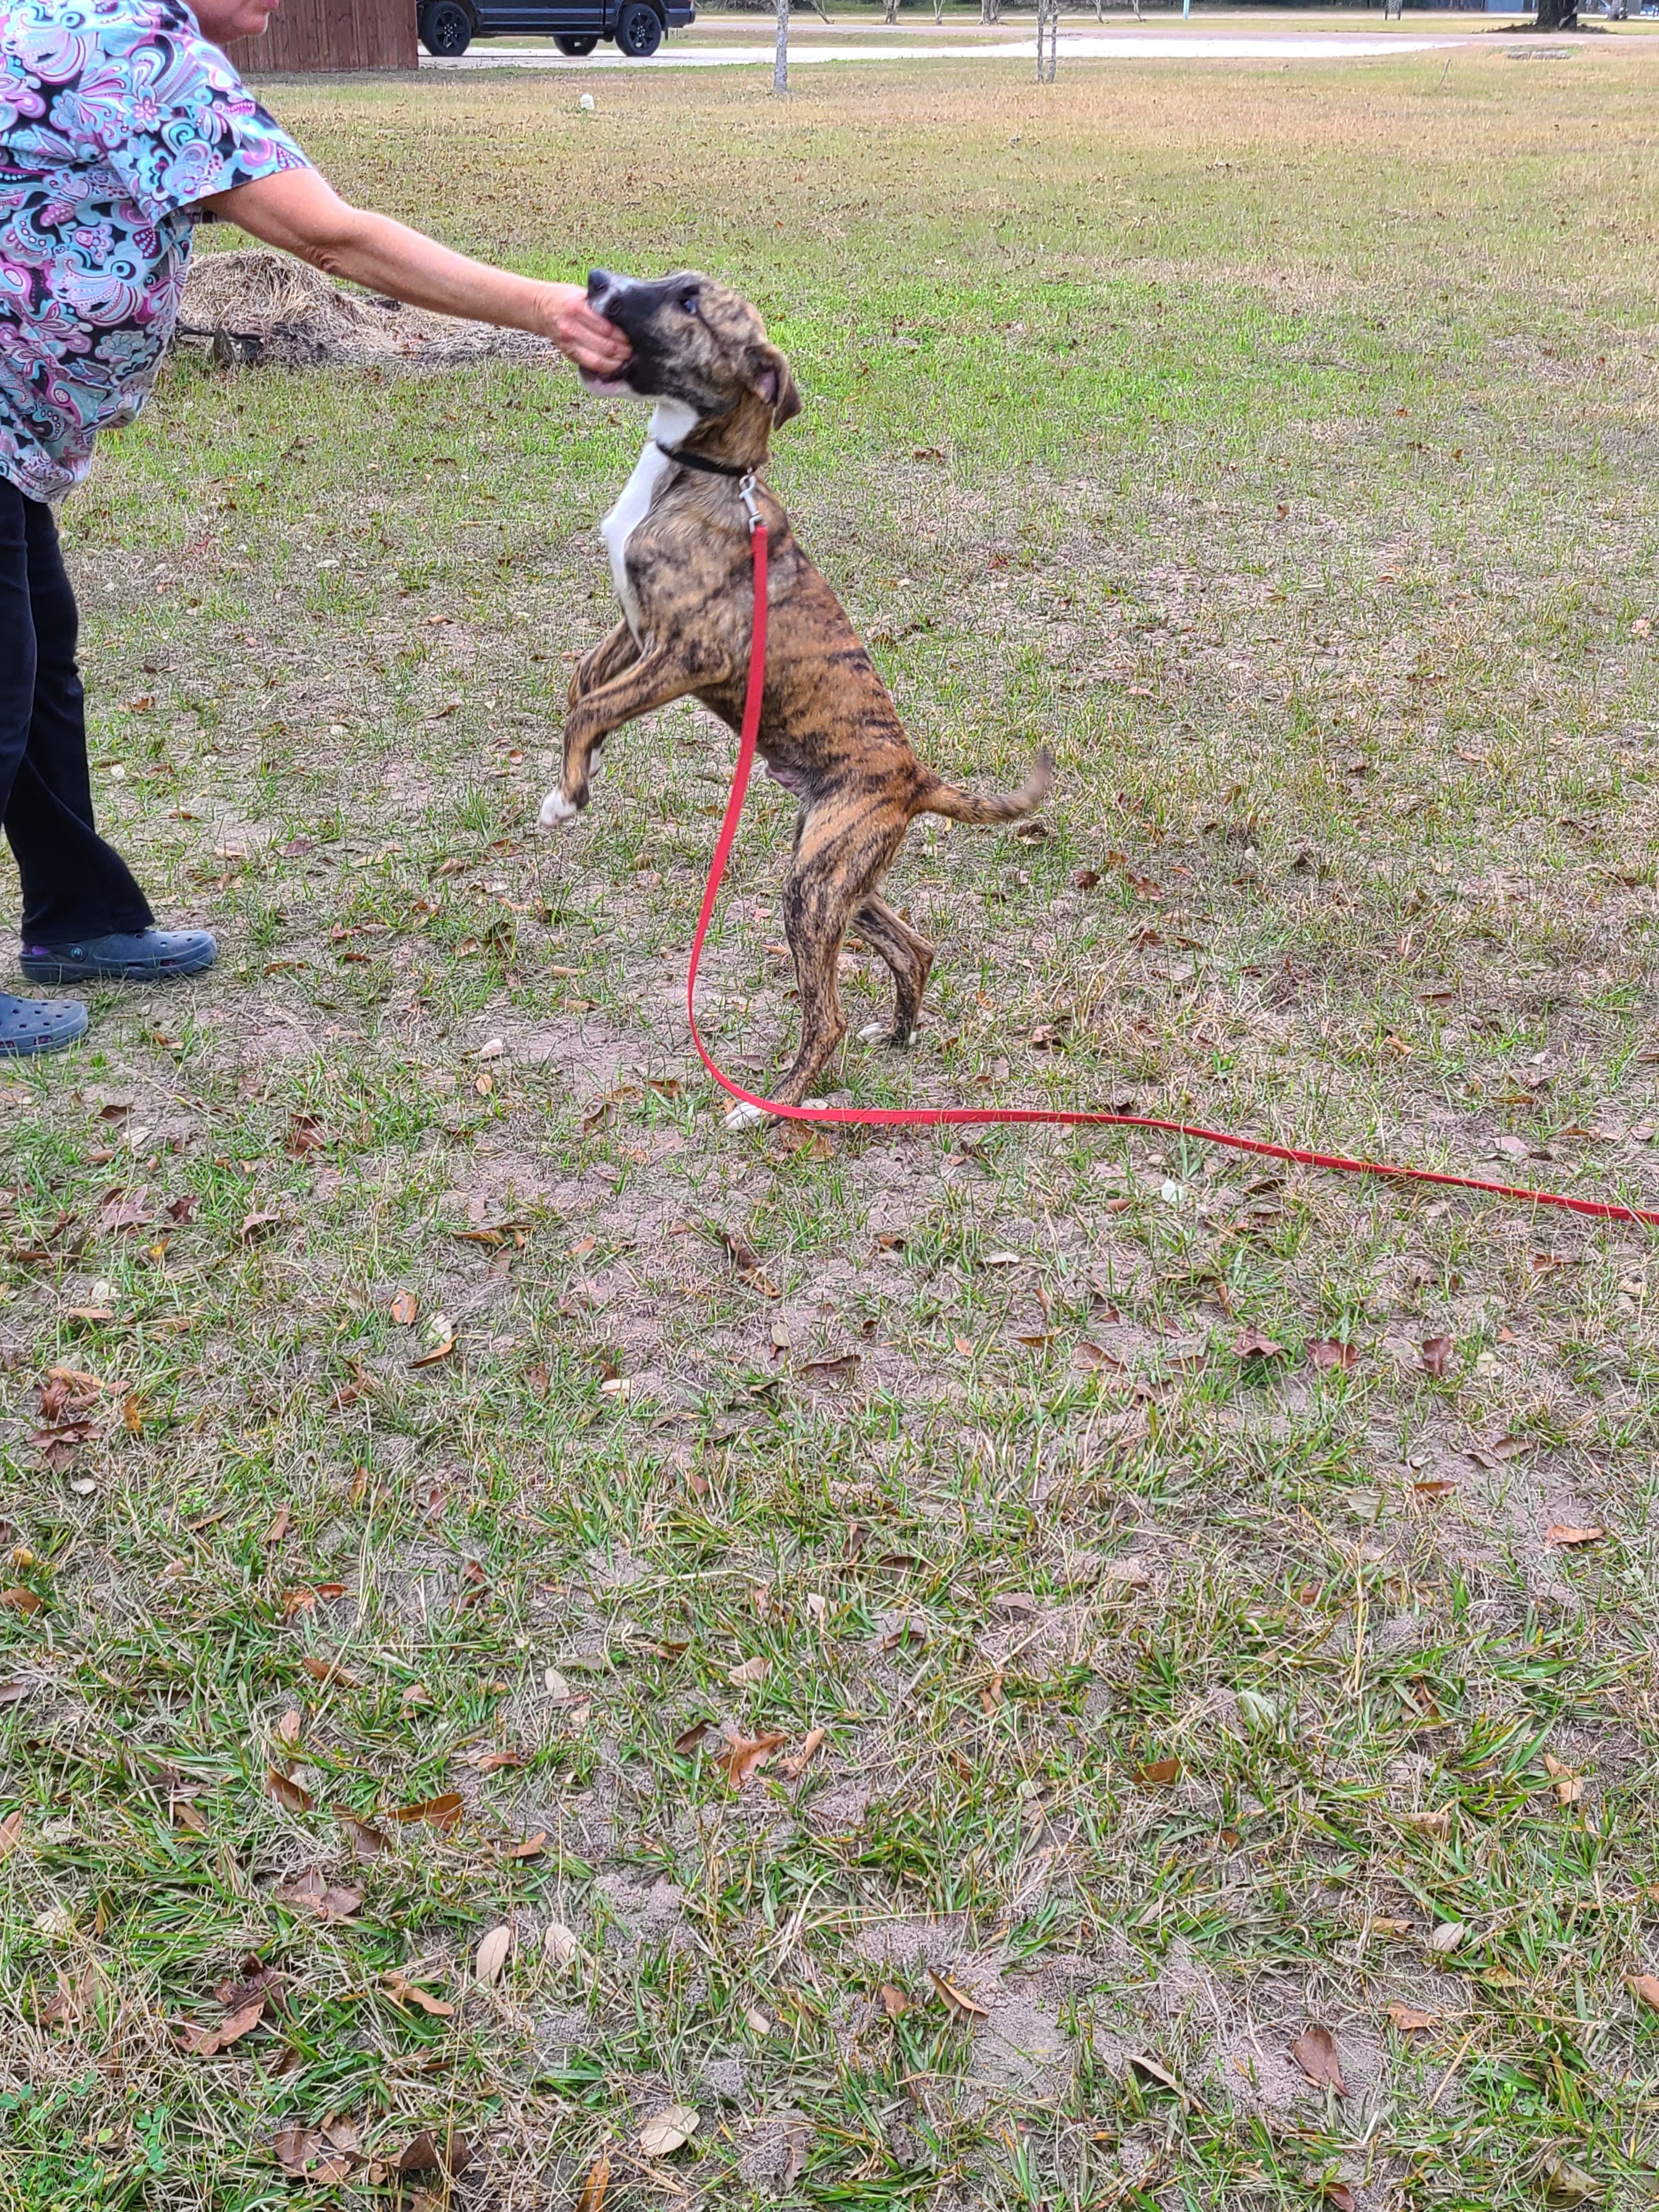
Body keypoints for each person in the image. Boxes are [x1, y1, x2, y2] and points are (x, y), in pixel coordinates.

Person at [0, 0, 629, 1055]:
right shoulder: (136, 55)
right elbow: (330, 237)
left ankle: (81, 919)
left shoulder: (70, 20)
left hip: (13, 439)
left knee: (37, 668)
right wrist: (546, 307)